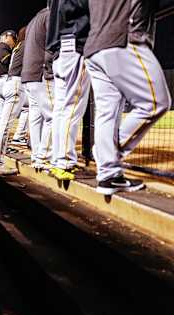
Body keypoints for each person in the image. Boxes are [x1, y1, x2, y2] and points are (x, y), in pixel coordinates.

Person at [83, 0, 171, 195]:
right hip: (123, 41)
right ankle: (108, 153)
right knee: (156, 103)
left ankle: (108, 176)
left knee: (107, 112)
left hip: (95, 49)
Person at [46, 0, 91, 181]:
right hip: (75, 48)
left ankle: (57, 159)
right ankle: (63, 161)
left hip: (59, 53)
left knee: (61, 110)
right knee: (72, 109)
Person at [22, 5, 54, 170]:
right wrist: (50, 69)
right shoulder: (50, 15)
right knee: (53, 117)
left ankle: (36, 156)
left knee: (36, 118)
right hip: (39, 73)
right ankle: (44, 157)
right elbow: (51, 46)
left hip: (28, 75)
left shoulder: (34, 19)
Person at [0, 28, 28, 175]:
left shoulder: (8, 47)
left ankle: (1, 149)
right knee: (4, 124)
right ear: (7, 37)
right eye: (11, 39)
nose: (13, 42)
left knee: (3, 122)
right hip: (8, 82)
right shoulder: (1, 45)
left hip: (4, 82)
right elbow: (6, 61)